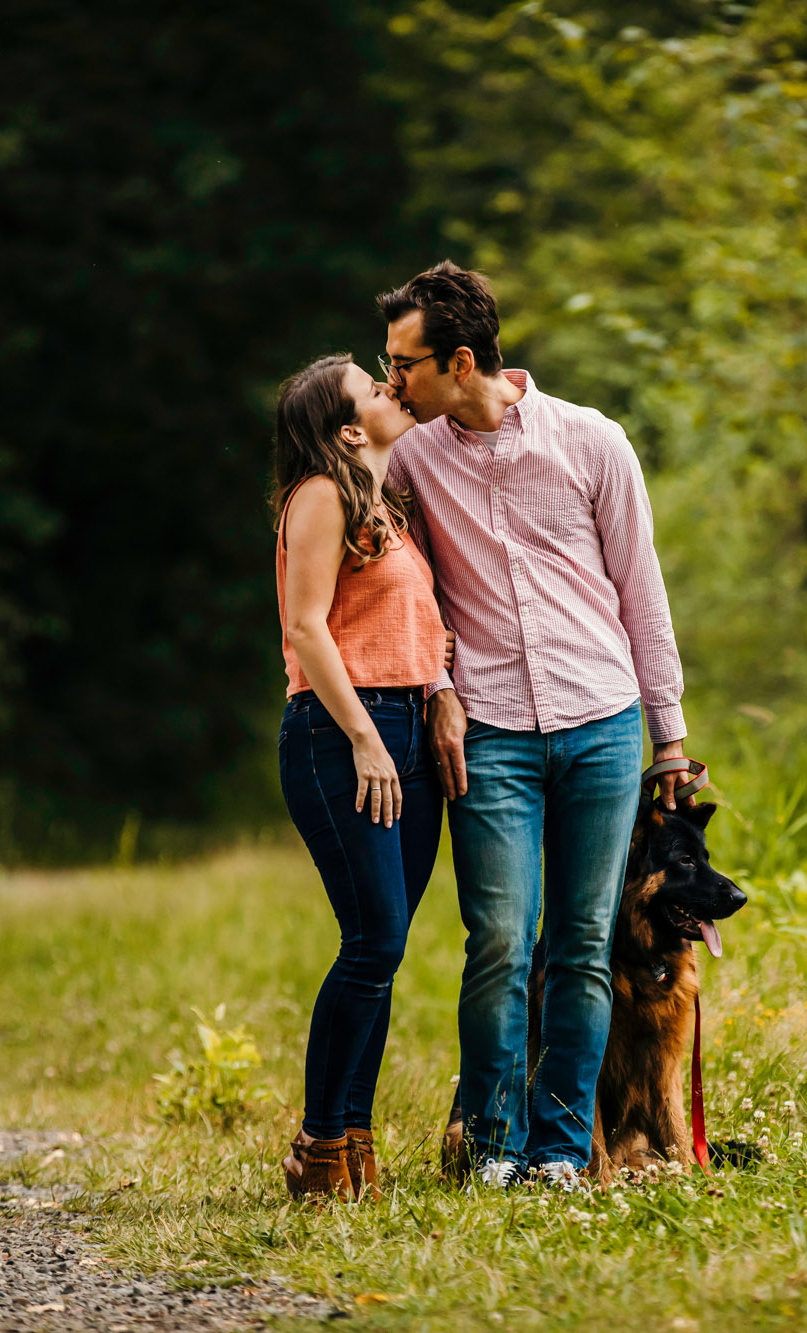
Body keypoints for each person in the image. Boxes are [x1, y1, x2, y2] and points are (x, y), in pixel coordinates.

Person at [377, 261, 694, 1190]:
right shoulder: (412, 459)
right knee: (502, 944)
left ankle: (561, 1151)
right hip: (494, 736)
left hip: (602, 721)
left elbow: (643, 592)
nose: (391, 379)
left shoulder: (593, 442)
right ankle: (490, 1145)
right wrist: (439, 685)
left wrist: (668, 737)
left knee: (584, 945)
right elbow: (416, 594)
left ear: (460, 359)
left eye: (405, 363)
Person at [270, 353, 451, 1203]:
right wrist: (366, 740)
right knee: (372, 940)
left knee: (384, 947)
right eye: (372, 389)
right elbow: (308, 629)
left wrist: (435, 704)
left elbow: (420, 627)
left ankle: (354, 1136)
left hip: (406, 729)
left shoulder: (388, 507)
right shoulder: (320, 494)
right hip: (342, 733)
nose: (391, 388)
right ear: (348, 428)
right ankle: (317, 1143)